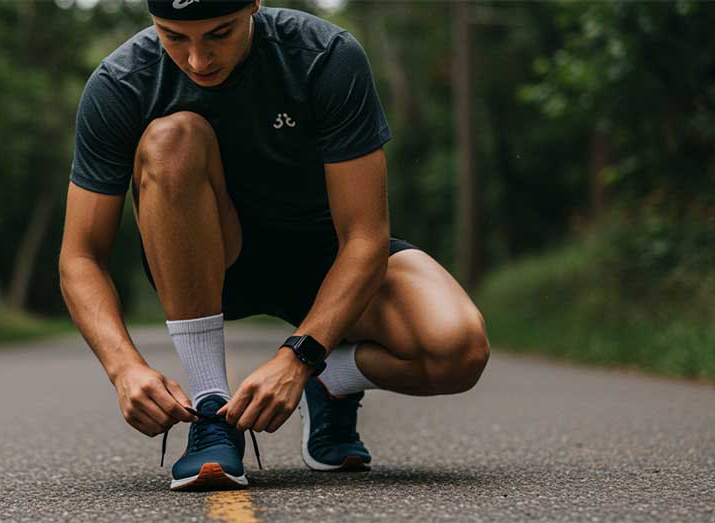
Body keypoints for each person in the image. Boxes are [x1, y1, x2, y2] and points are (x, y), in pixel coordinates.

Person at [59, 0, 490, 491]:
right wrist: (123, 369)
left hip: (328, 264)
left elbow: (364, 237)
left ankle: (332, 380)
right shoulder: (121, 83)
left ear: (254, 5)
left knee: (459, 350)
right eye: (174, 36)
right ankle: (211, 413)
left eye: (219, 33)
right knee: (171, 138)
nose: (198, 59)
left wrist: (300, 359)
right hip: (212, 259)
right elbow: (81, 256)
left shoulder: (324, 56)